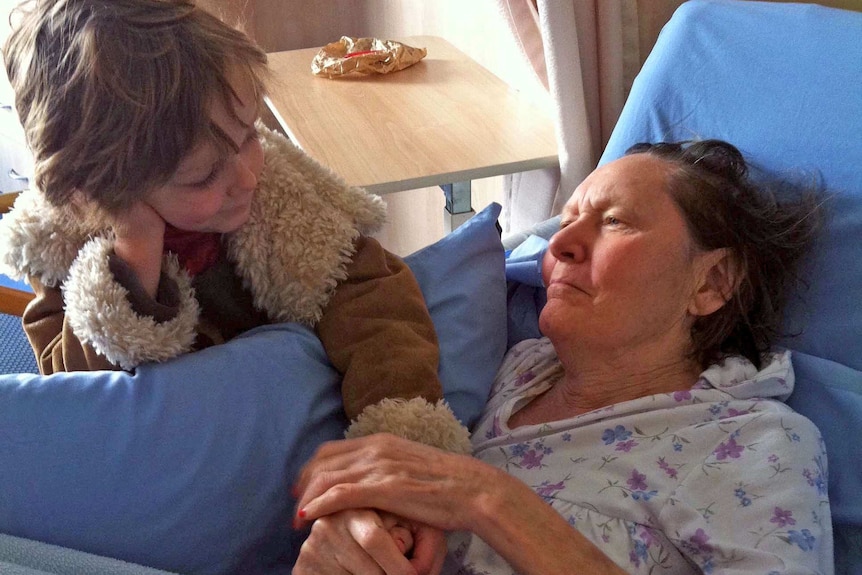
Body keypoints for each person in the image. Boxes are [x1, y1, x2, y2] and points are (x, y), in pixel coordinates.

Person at [0, 0, 470, 551]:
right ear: (102, 194)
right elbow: (81, 401)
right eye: (202, 176)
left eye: (249, 132)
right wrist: (132, 260)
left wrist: (396, 457)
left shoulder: (288, 211)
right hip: (183, 496)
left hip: (298, 470)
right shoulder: (69, 252)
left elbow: (379, 310)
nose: (248, 175)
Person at [291, 140, 834, 575]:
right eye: (566, 220)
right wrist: (360, 538)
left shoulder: (754, 440)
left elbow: (466, 493)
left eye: (615, 221)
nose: (560, 244)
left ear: (711, 282)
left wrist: (490, 501)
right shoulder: (512, 369)